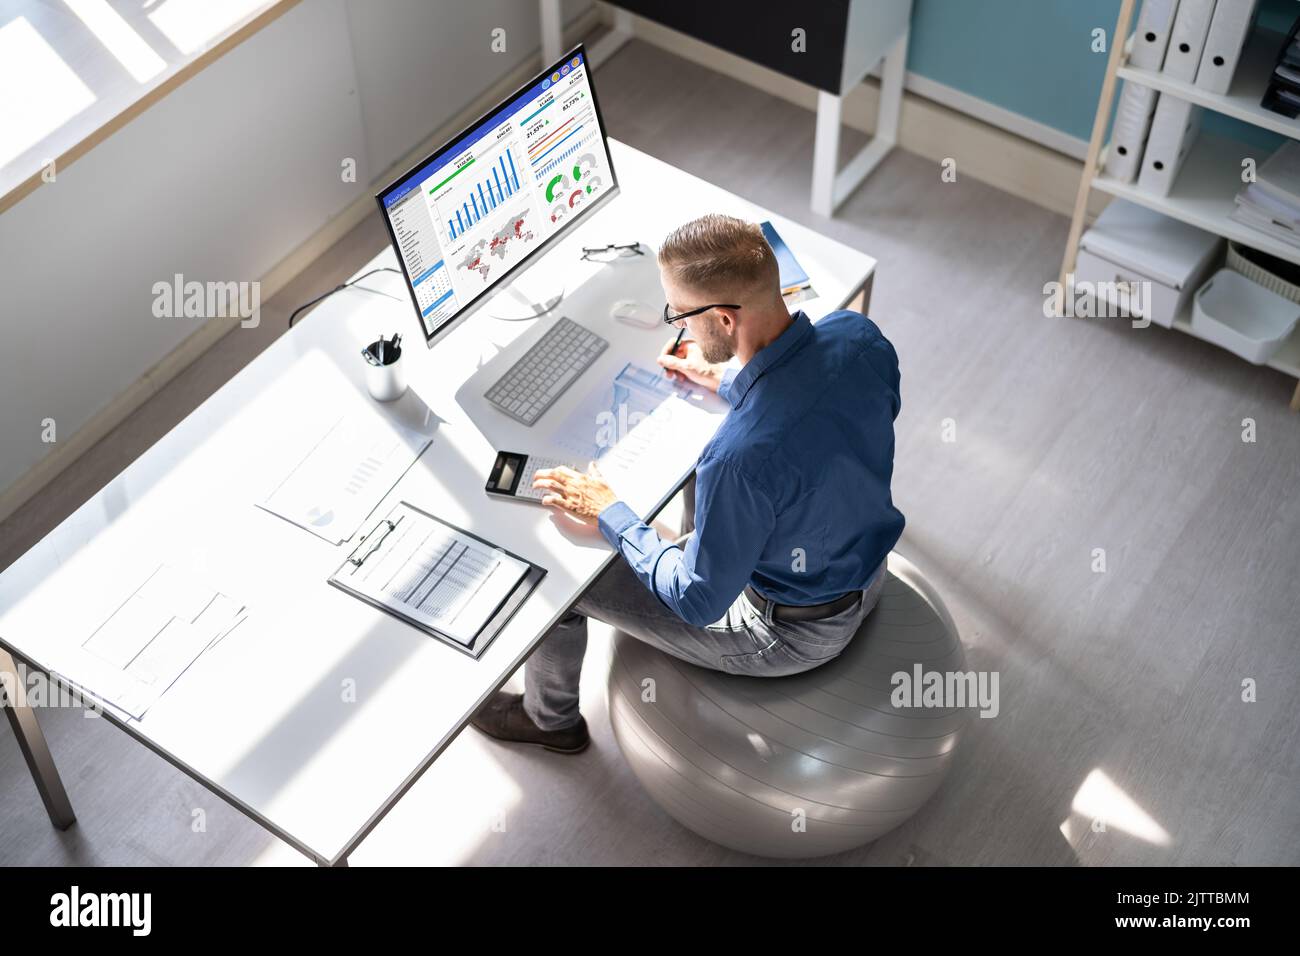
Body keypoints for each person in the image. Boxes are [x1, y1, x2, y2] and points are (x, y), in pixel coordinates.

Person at [471, 213, 905, 754]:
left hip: (791, 633)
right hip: (866, 571)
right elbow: (822, 414)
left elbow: (699, 602)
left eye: (680, 314)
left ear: (724, 320)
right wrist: (729, 379)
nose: (679, 326)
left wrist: (611, 511)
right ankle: (683, 548)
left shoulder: (737, 459)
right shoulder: (860, 337)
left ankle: (548, 722)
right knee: (716, 485)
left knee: (563, 586)